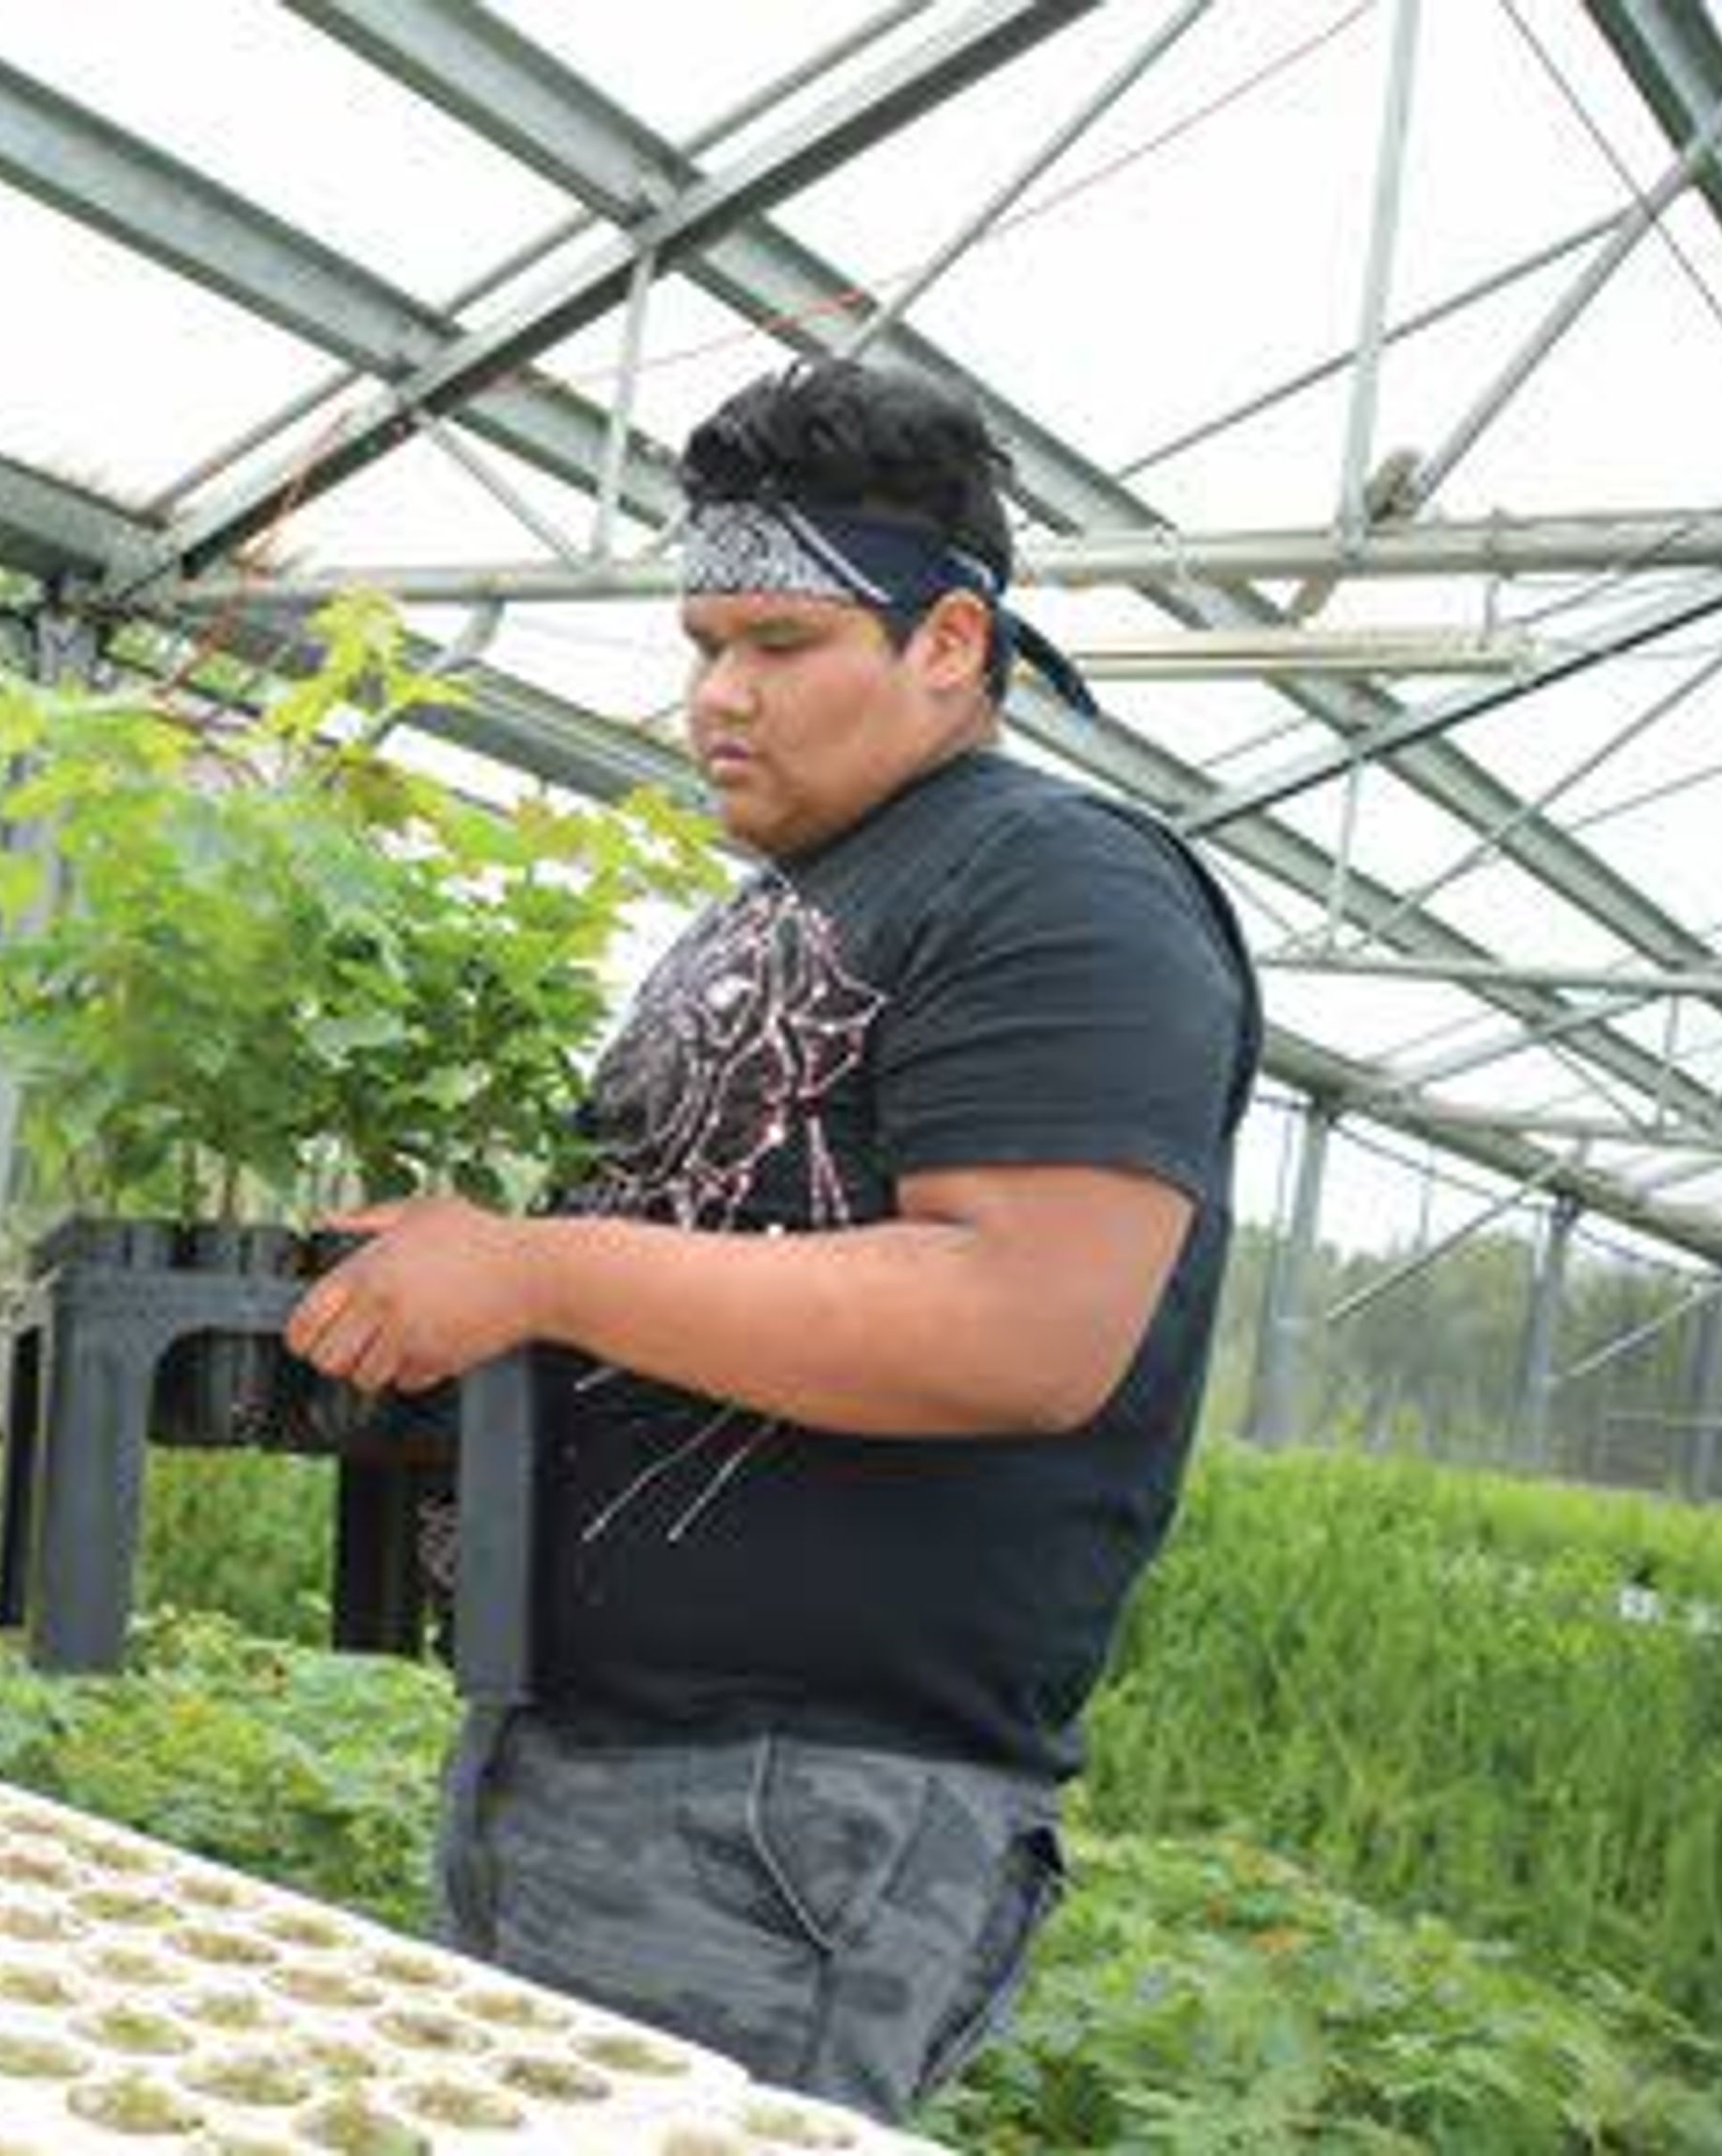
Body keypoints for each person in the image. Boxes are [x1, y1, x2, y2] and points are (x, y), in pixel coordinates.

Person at [284, 357, 1259, 2121]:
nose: (718, 696)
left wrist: (539, 1266)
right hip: (587, 1762)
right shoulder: (792, 905)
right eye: (700, 644)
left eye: (781, 644)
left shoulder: (1062, 886)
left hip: (785, 1813)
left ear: (949, 644)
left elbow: (1023, 1328)